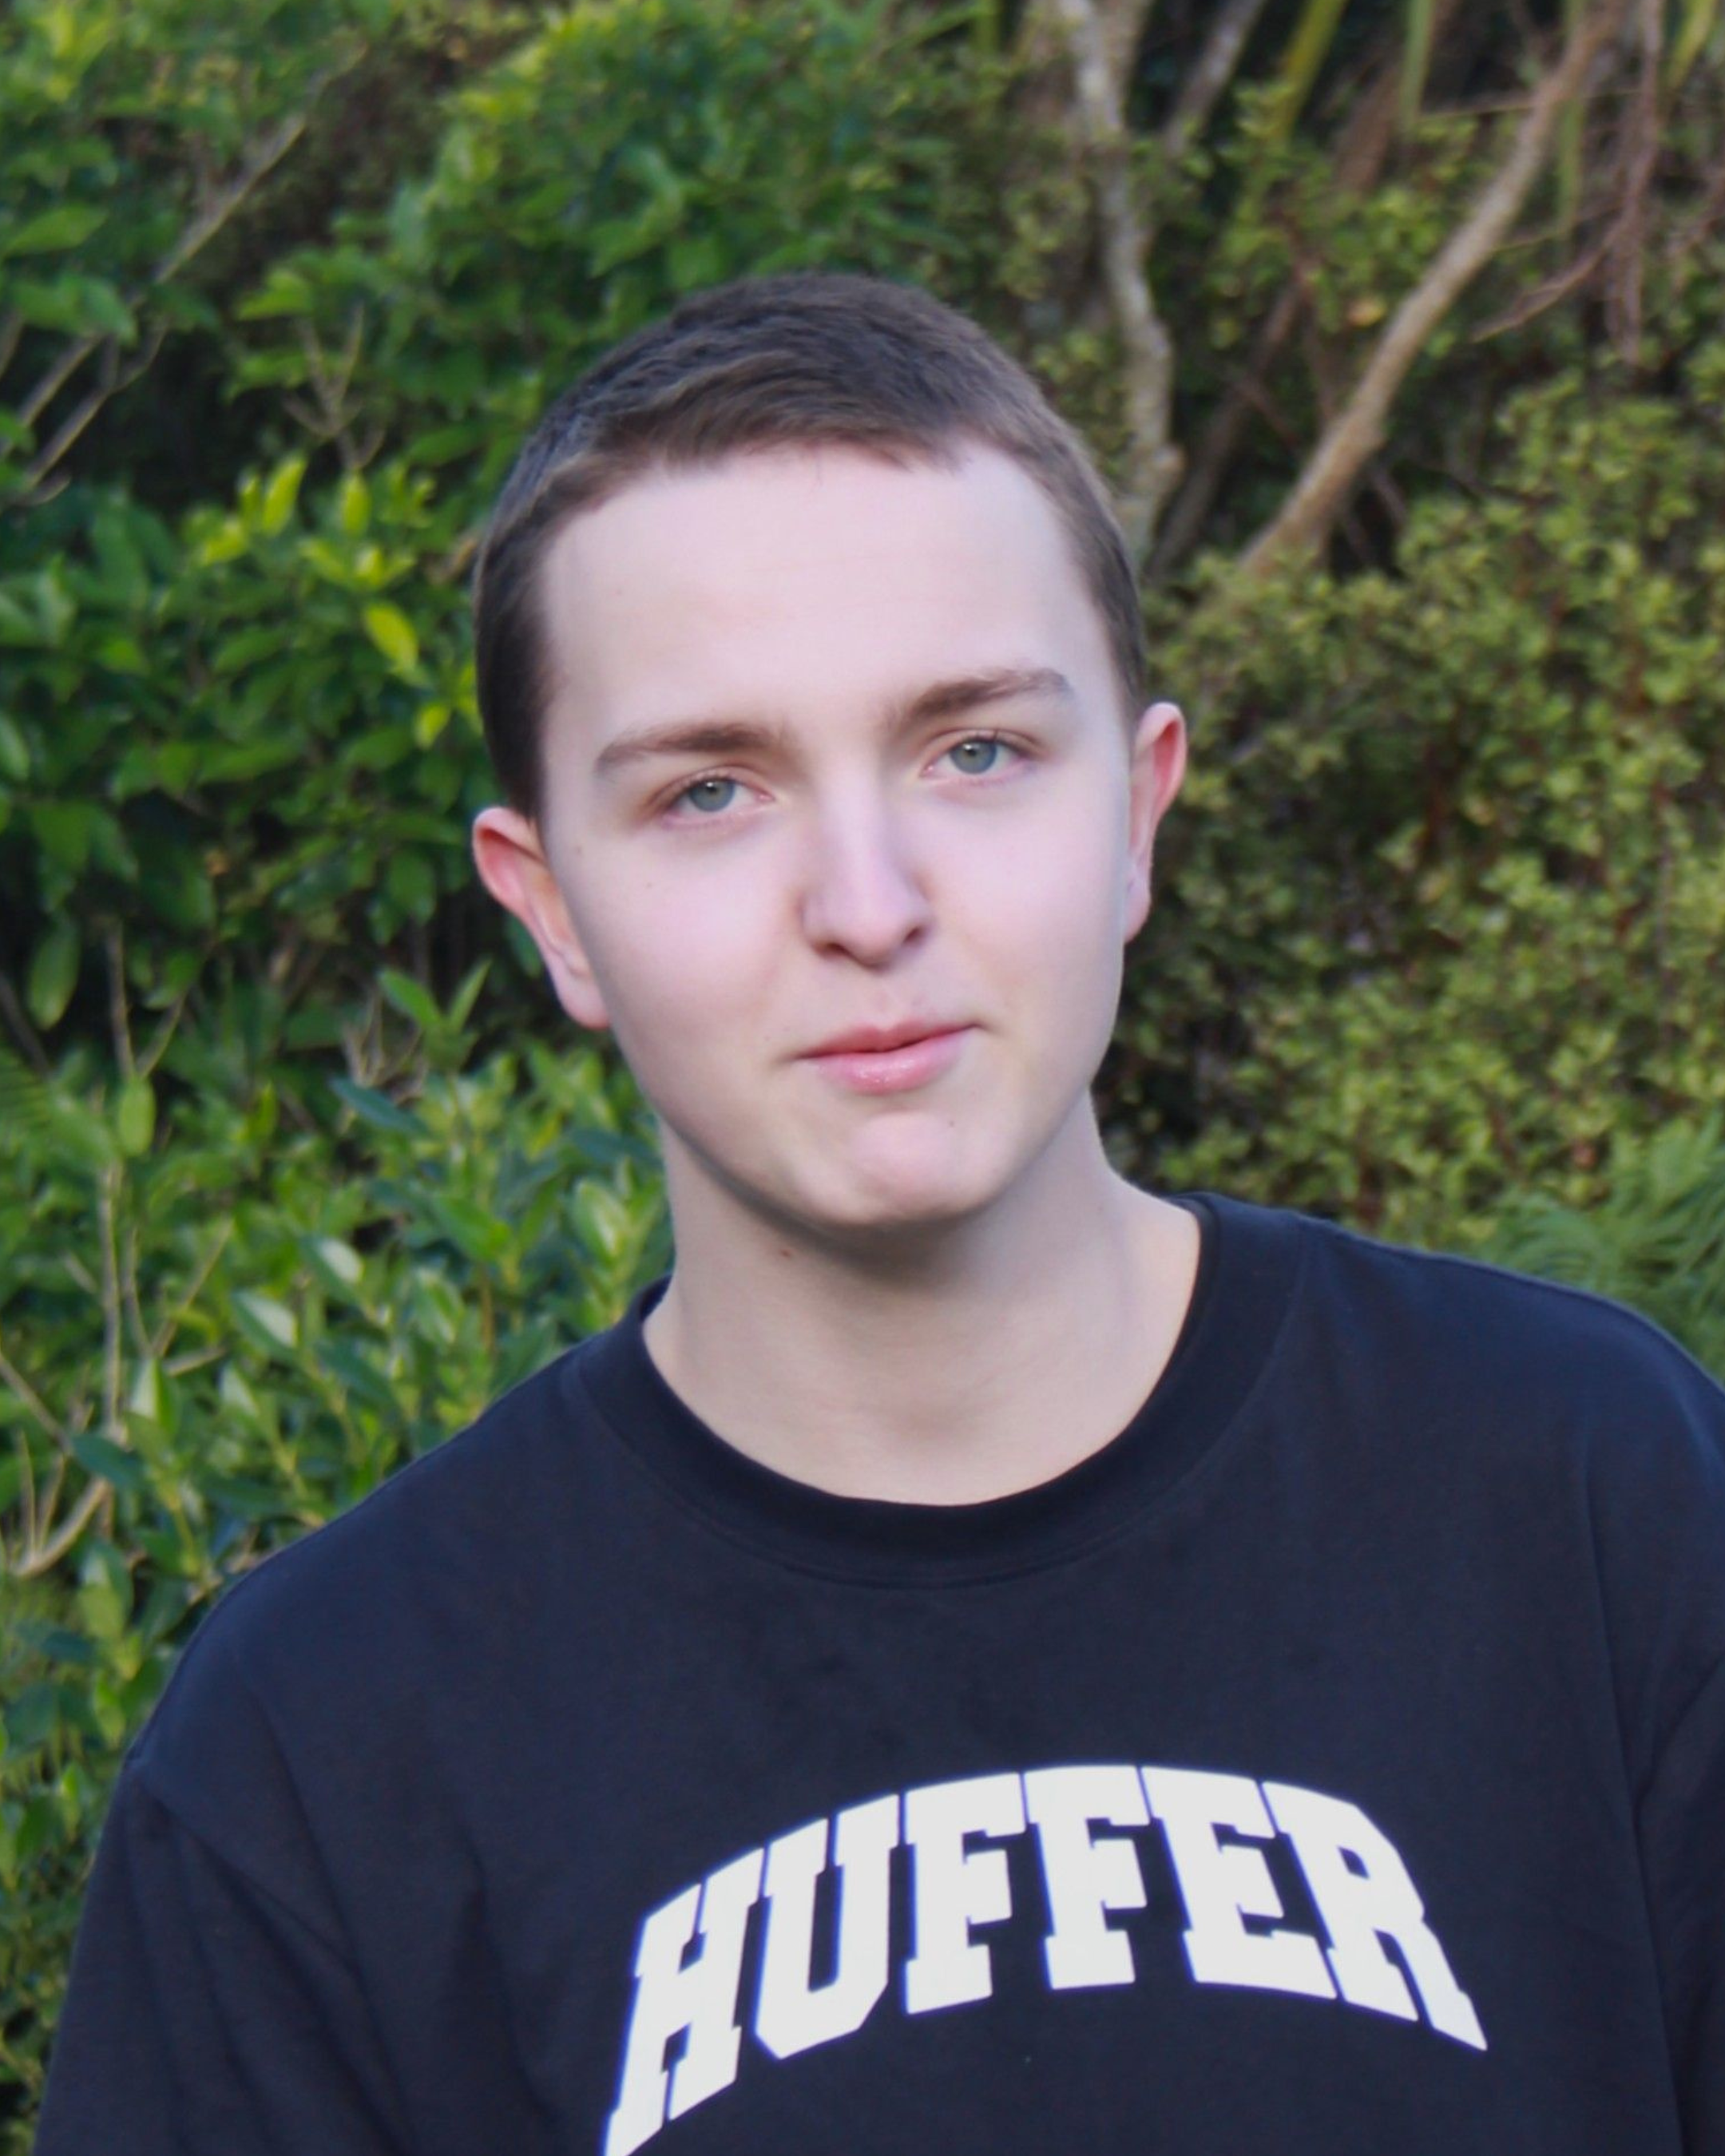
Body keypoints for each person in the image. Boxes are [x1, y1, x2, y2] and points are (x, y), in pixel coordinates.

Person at [33, 268, 1725, 2156]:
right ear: (553, 909)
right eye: (710, 792)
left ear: (1141, 812)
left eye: (975, 750)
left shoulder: (1595, 1497)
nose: (868, 899)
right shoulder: (317, 1757)